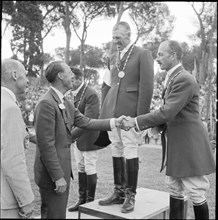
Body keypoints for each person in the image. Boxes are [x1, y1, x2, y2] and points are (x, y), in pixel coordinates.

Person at [121, 40, 216, 219]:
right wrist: (150, 127)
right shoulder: (173, 77)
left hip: (188, 143)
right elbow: (168, 113)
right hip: (177, 142)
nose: (157, 58)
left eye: (160, 54)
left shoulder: (184, 78)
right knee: (174, 186)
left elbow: (167, 111)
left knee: (195, 190)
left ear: (173, 55)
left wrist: (135, 121)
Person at [33, 60, 126, 219]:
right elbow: (46, 145)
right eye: (69, 72)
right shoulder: (46, 103)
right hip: (52, 175)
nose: (73, 76)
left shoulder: (64, 101)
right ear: (61, 76)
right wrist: (57, 177)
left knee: (58, 213)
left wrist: (114, 122)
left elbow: (86, 121)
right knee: (53, 214)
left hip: (60, 172)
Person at [98, 21, 154, 213]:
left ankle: (130, 195)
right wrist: (104, 112)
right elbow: (108, 85)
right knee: (116, 148)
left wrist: (141, 119)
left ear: (128, 34)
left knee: (130, 149)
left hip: (131, 113)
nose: (115, 41)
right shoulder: (113, 56)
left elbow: (147, 87)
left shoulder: (142, 53)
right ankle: (118, 191)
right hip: (113, 112)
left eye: (118, 38)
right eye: (113, 38)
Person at [1, 58, 34, 218]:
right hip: (5, 202)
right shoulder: (9, 108)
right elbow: (13, 161)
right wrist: (26, 201)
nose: (28, 80)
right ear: (15, 75)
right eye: (25, 75)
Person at [67, 67, 103, 211]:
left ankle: (90, 202)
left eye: (71, 78)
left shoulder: (91, 93)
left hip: (90, 138)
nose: (69, 81)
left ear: (79, 79)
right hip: (78, 138)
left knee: (89, 167)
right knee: (80, 167)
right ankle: (81, 200)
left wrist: (70, 136)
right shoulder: (72, 92)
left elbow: (88, 121)